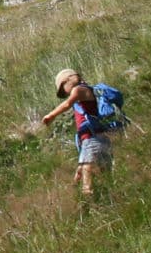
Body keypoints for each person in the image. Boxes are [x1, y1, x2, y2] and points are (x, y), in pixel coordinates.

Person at [39, 68, 112, 198]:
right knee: (91, 171)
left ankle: (88, 198)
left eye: (63, 89)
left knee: (87, 170)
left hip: (92, 138)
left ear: (68, 80)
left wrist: (51, 115)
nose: (65, 93)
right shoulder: (83, 95)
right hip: (94, 138)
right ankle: (102, 197)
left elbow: (67, 104)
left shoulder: (79, 90)